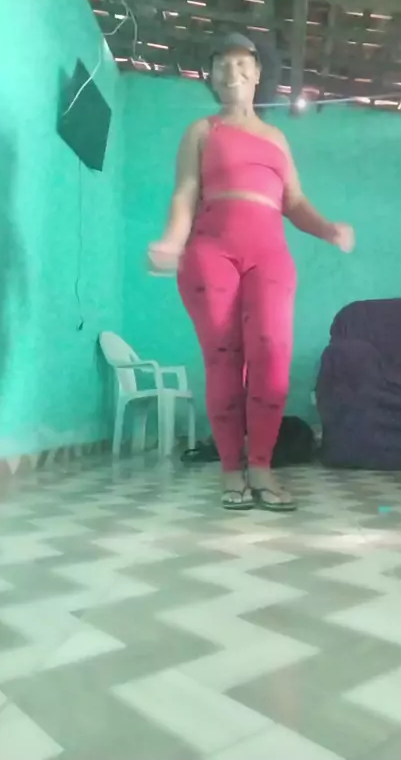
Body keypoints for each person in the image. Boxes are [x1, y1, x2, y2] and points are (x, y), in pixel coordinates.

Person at [148, 32, 355, 512]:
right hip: (209, 253)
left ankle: (261, 465)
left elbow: (294, 202)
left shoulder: (277, 139)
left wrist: (328, 229)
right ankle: (230, 470)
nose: (232, 71)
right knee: (224, 358)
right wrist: (172, 241)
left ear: (258, 73)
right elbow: (185, 193)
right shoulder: (201, 131)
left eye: (242, 63)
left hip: (270, 256)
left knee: (272, 356)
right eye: (222, 63)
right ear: (211, 75)